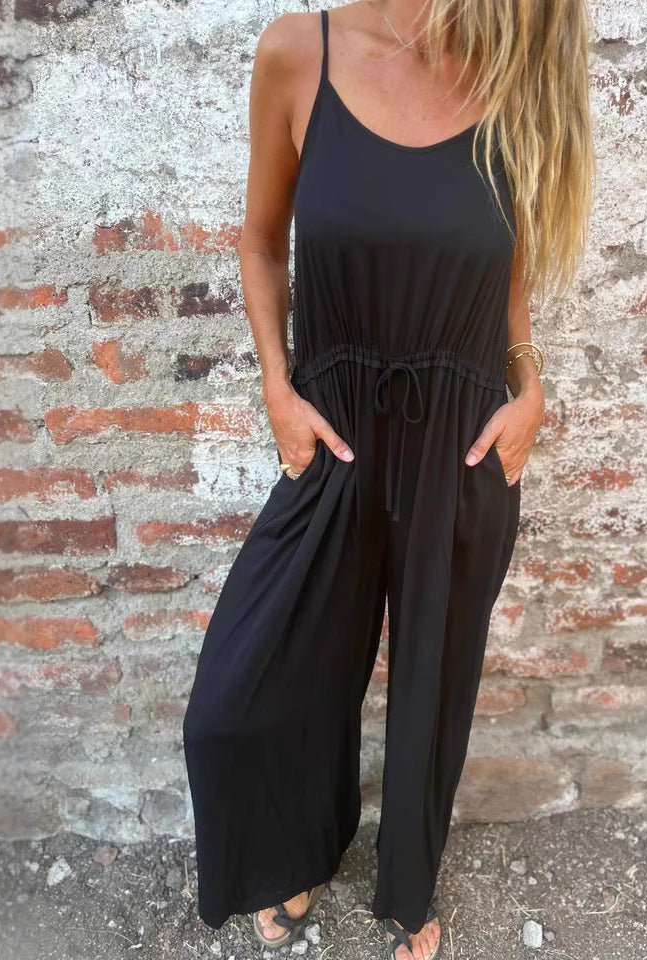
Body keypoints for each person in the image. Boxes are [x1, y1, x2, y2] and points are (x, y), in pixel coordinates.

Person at [182, 2, 594, 958]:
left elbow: (504, 266)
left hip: (463, 441)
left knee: (430, 687)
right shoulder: (301, 52)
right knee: (241, 699)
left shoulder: (514, 70)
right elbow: (260, 241)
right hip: (336, 429)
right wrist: (278, 388)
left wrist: (531, 386)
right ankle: (299, 846)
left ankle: (410, 888)